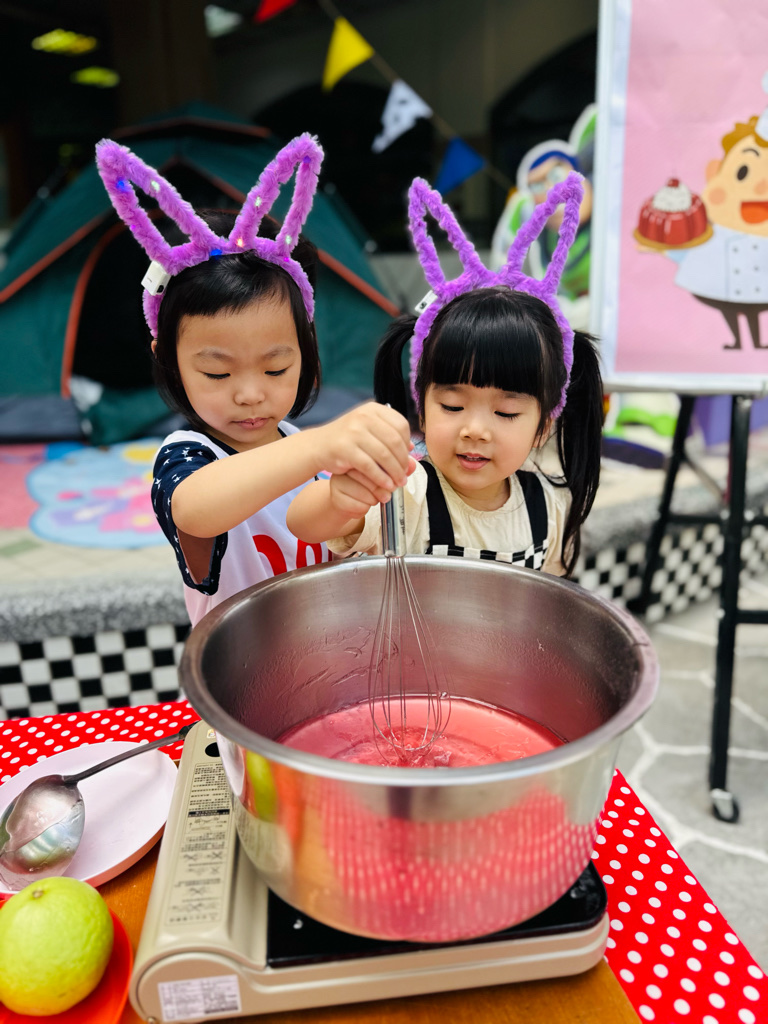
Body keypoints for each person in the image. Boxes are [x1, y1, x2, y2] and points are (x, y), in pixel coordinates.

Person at [96, 134, 413, 625]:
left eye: (275, 368)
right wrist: (320, 446)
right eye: (217, 372)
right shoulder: (188, 457)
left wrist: (345, 500)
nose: (250, 394)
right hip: (237, 666)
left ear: (307, 354)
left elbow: (327, 534)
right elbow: (195, 510)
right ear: (169, 361)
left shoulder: (300, 446)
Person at [288, 172, 603, 577]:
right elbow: (303, 524)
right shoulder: (405, 493)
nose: (475, 430)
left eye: (506, 413)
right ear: (422, 406)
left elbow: (548, 593)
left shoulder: (549, 507)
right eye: (453, 406)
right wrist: (338, 497)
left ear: (543, 425)